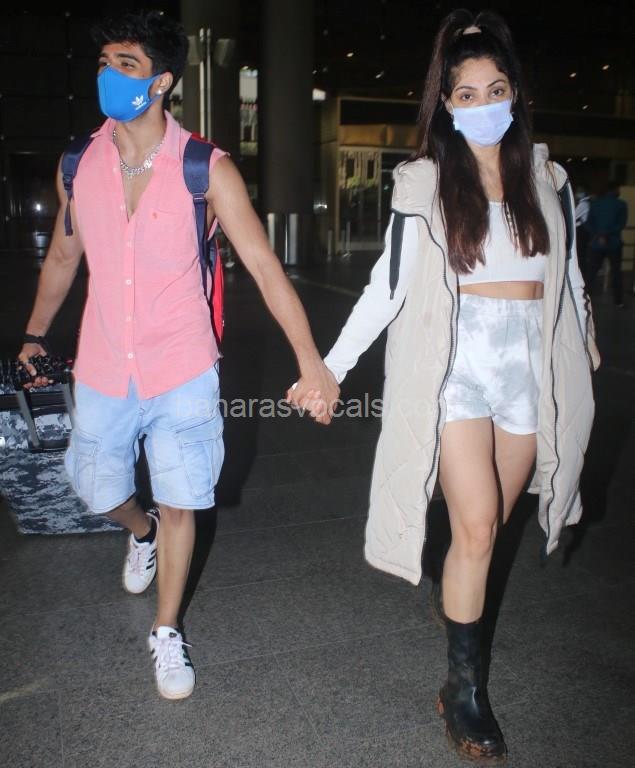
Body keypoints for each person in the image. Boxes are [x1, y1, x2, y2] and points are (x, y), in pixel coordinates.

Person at [291, 9, 599, 763]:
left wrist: (586, 339)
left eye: (497, 89)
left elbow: (569, 276)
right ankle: (463, 690)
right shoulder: (426, 184)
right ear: (446, 105)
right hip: (458, 365)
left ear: (515, 95)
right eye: (467, 94)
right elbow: (386, 286)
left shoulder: (548, 181)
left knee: (488, 529)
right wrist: (331, 367)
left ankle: (457, 593)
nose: (484, 104)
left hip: (528, 368)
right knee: (478, 524)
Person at [18, 10, 338, 701]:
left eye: (126, 65)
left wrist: (310, 360)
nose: (109, 76)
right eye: (104, 63)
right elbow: (64, 258)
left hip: (184, 366)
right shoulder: (78, 164)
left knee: (184, 498)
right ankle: (142, 531)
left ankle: (167, 629)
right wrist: (35, 335)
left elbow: (264, 267)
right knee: (95, 489)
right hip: (104, 364)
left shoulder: (205, 168)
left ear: (161, 81)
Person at [585, 180, 628, 306]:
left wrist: (599, 234)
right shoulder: (621, 204)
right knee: (616, 273)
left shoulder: (595, 203)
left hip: (596, 243)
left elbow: (588, 224)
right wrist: (607, 234)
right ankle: (618, 301)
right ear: (615, 190)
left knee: (591, 272)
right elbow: (622, 224)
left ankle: (583, 299)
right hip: (614, 243)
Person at [574, 186, 592, 274]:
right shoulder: (588, 202)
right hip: (585, 231)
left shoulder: (583, 204)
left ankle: (582, 273)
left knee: (580, 254)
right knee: (583, 254)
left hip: (582, 232)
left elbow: (574, 216)